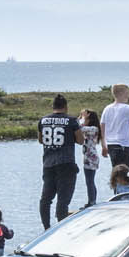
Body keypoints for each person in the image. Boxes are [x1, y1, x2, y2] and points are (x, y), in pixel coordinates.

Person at [36, 96, 80, 229]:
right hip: (66, 163)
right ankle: (61, 229)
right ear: (66, 107)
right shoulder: (71, 120)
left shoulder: (43, 120)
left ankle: (46, 228)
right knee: (63, 201)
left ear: (53, 107)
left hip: (48, 164)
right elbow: (80, 140)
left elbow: (41, 140)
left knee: (45, 199)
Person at [76, 109, 104, 208]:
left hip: (91, 157)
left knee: (89, 181)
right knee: (90, 181)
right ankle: (92, 201)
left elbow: (79, 128)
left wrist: (82, 118)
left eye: (85, 116)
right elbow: (76, 125)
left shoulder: (93, 128)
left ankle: (91, 202)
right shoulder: (91, 128)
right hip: (88, 157)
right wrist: (81, 117)